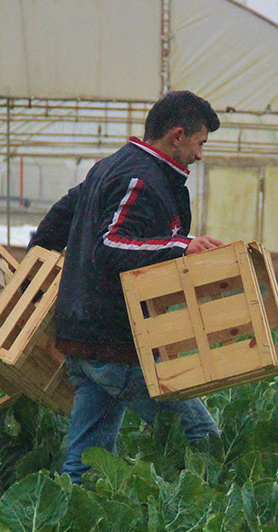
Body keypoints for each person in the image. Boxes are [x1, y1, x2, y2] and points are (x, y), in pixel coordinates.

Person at [29, 90, 225, 483]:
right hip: (114, 344)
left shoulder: (110, 167)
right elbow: (109, 246)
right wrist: (181, 247)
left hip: (82, 341)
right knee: (202, 438)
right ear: (177, 135)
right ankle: (213, 505)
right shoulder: (141, 178)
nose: (200, 155)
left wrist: (34, 276)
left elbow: (57, 221)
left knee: (87, 460)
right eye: (199, 143)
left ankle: (71, 512)